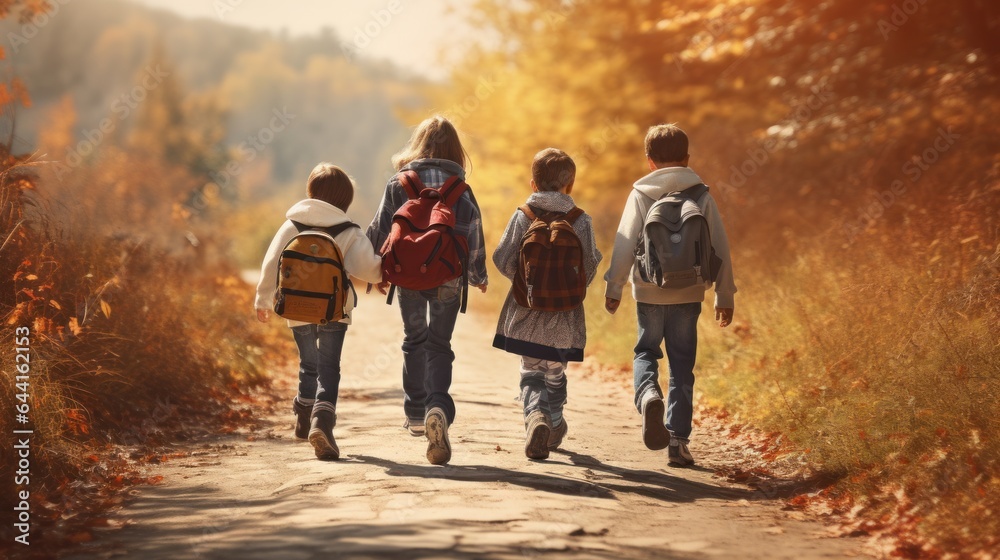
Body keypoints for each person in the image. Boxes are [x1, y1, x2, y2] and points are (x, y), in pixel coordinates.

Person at [604, 124, 737, 467]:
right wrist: (725, 294)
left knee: (646, 350)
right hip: (689, 292)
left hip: (649, 291)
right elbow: (719, 246)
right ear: (687, 158)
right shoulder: (701, 194)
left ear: (649, 161)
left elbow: (624, 241)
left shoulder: (640, 194)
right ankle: (677, 442)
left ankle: (648, 395)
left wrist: (614, 286)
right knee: (682, 365)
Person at [366, 115, 488, 465]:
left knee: (413, 339)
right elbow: (473, 233)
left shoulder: (399, 183)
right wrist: (478, 275)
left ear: (417, 145)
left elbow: (380, 229)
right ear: (455, 150)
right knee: (439, 343)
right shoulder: (461, 189)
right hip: (448, 277)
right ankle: (438, 405)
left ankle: (416, 412)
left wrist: (376, 269)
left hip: (407, 277)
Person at [255, 163, 383, 461]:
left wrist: (262, 300)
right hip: (334, 311)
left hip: (296, 308)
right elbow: (369, 269)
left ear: (311, 191)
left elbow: (271, 262)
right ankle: (321, 422)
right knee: (329, 368)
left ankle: (302, 412)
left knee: (308, 364)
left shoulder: (292, 225)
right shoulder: (348, 230)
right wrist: (383, 272)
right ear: (344, 199)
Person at [492, 148, 602, 460]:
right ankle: (554, 422)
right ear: (570, 185)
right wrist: (569, 289)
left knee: (530, 372)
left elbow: (502, 258)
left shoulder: (523, 216)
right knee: (556, 372)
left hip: (527, 311)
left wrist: (524, 281)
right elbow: (590, 264)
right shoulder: (581, 220)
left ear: (533, 183)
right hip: (565, 316)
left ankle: (535, 417)